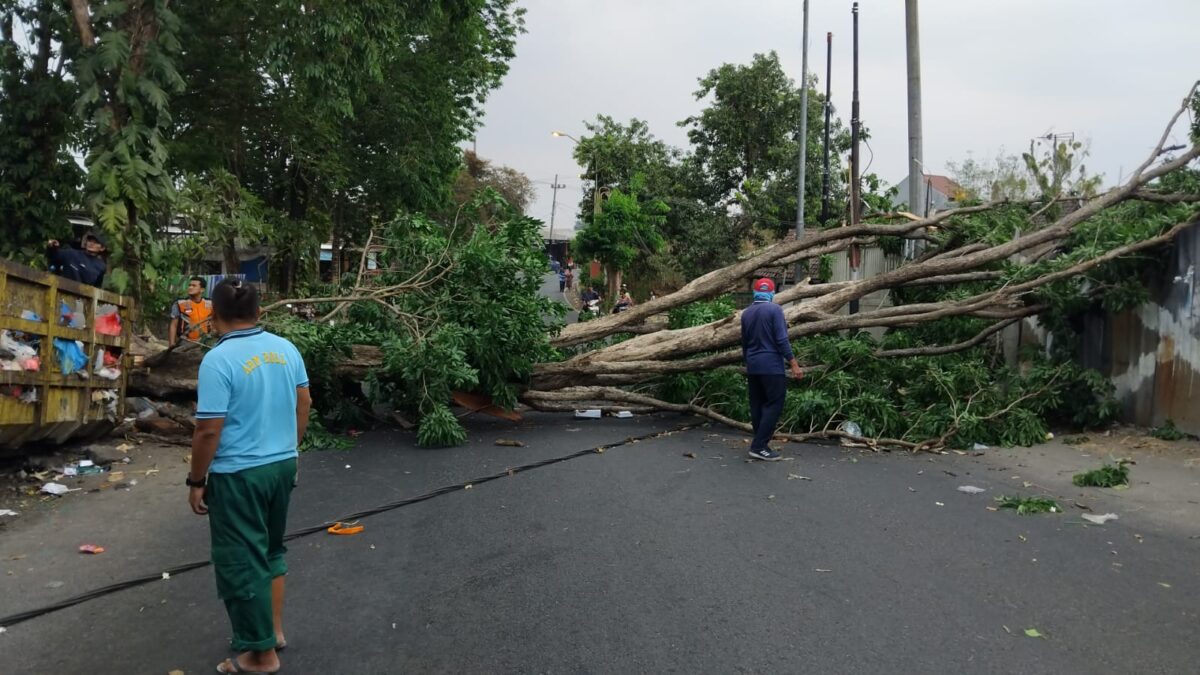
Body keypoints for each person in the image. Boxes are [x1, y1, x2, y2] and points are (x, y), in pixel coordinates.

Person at [187, 279, 311, 675]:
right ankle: (272, 632)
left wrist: (196, 479)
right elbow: (304, 402)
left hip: (239, 473)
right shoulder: (286, 349)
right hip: (281, 465)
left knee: (242, 559)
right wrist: (291, 448)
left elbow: (208, 429)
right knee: (272, 551)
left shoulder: (218, 360)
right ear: (260, 311)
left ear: (213, 316)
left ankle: (259, 656)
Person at [740, 278, 803, 461]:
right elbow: (781, 339)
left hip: (753, 365)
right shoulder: (775, 310)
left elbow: (744, 343)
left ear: (755, 293)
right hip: (771, 366)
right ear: (772, 293)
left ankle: (760, 443)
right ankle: (759, 446)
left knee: (757, 404)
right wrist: (793, 363)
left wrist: (749, 361)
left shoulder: (746, 313)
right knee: (774, 403)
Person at [169, 276, 214, 346]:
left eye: (194, 286)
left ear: (202, 289)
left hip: (205, 341)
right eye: (189, 285)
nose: (190, 287)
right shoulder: (180, 303)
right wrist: (171, 343)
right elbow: (173, 325)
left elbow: (215, 321)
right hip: (185, 341)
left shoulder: (210, 303)